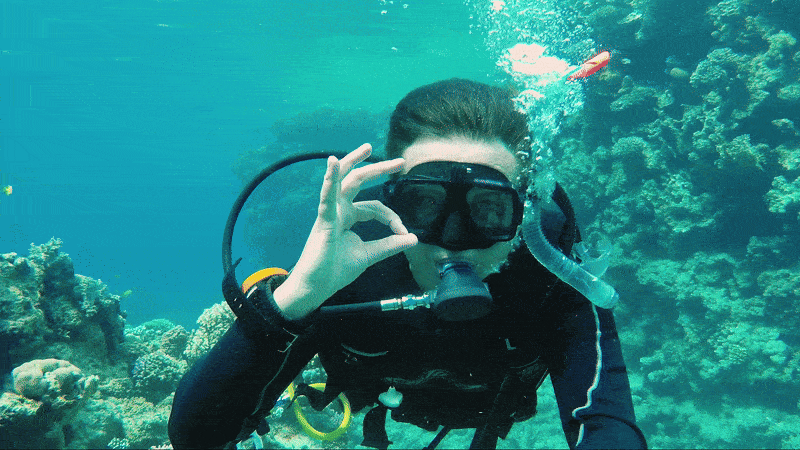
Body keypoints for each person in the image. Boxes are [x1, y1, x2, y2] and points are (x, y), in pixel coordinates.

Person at [168, 78, 647, 449]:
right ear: (392, 199)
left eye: (488, 209)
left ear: (523, 215)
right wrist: (295, 300)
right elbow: (198, 439)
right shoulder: (348, 269)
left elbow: (608, 424)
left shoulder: (552, 278)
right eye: (425, 204)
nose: (453, 242)